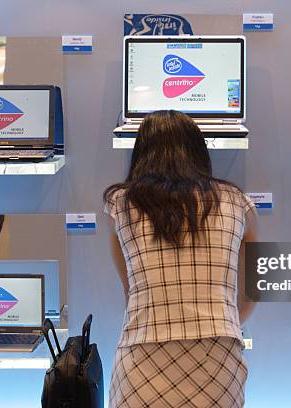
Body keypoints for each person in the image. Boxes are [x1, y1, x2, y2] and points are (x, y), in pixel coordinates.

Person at [104, 110, 257, 407]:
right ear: (198, 150)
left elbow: (130, 291)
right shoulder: (237, 200)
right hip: (219, 357)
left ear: (141, 152)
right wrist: (225, 321)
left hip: (143, 353)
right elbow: (253, 290)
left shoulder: (120, 203)